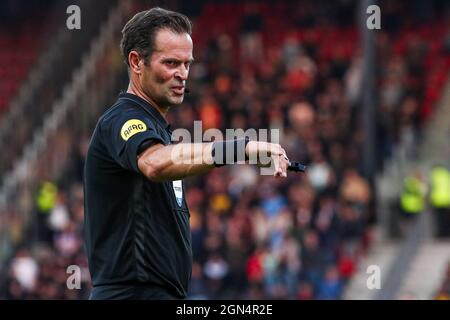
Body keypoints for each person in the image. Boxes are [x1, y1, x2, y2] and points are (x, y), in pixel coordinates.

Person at [83, 7, 290, 300]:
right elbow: (154, 163)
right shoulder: (123, 119)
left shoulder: (160, 131)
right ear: (136, 62)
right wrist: (240, 148)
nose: (182, 74)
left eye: (186, 64)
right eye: (170, 63)